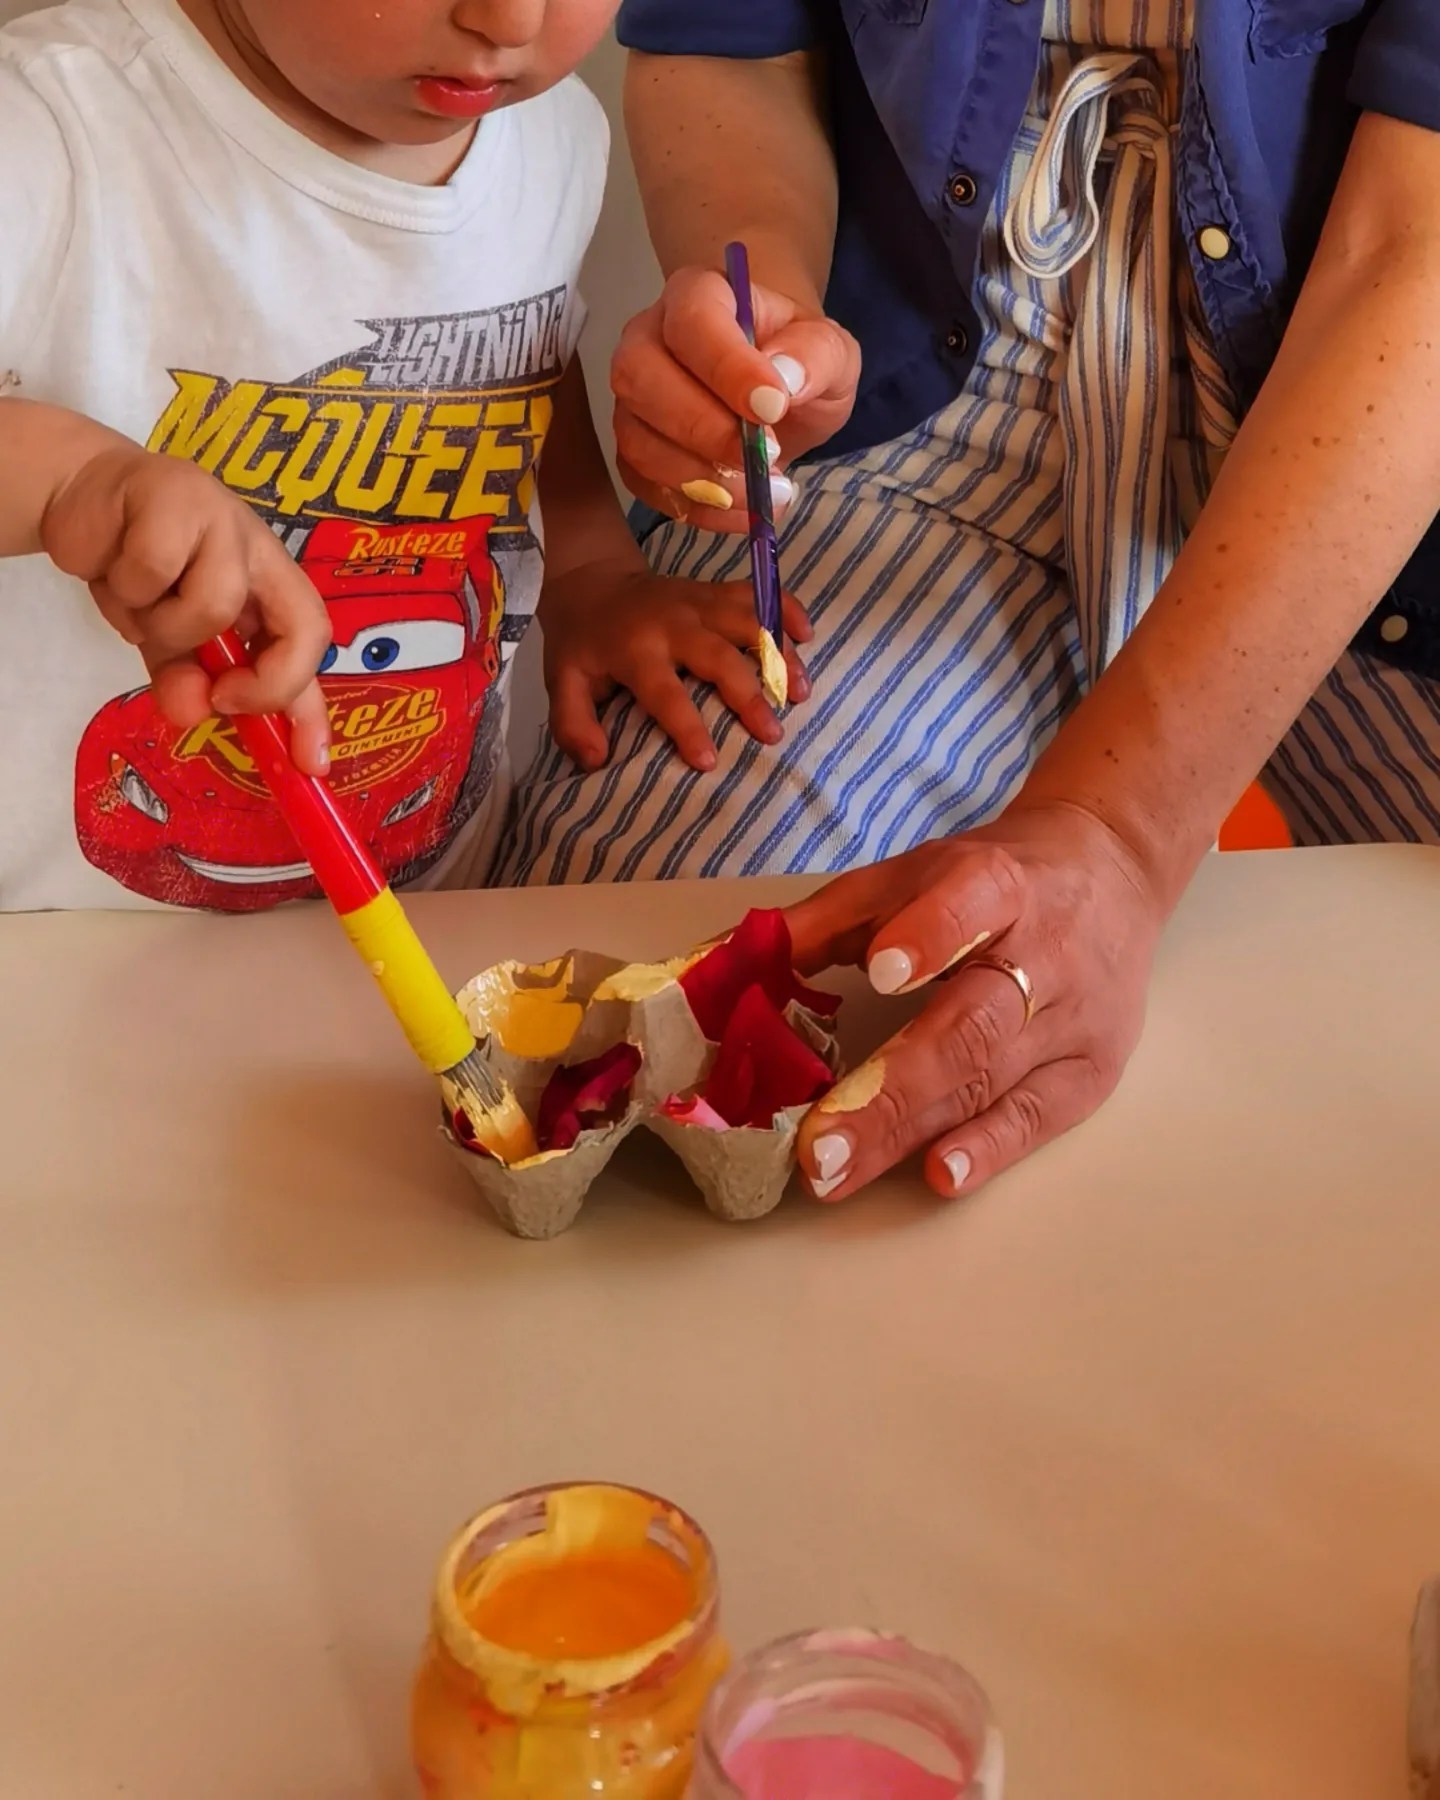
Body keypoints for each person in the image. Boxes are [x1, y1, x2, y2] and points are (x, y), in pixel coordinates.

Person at [495, 0, 1440, 1201]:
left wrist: (1118, 831)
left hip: (1378, 437)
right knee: (654, 993)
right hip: (929, 395)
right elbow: (734, 48)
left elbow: (1413, 250)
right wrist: (767, 318)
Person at [0, 0, 809, 912]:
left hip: (413, 925)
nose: (511, 20)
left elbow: (517, 359)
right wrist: (72, 480)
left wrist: (594, 575)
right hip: (56, 946)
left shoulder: (553, 133)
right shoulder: (41, 122)